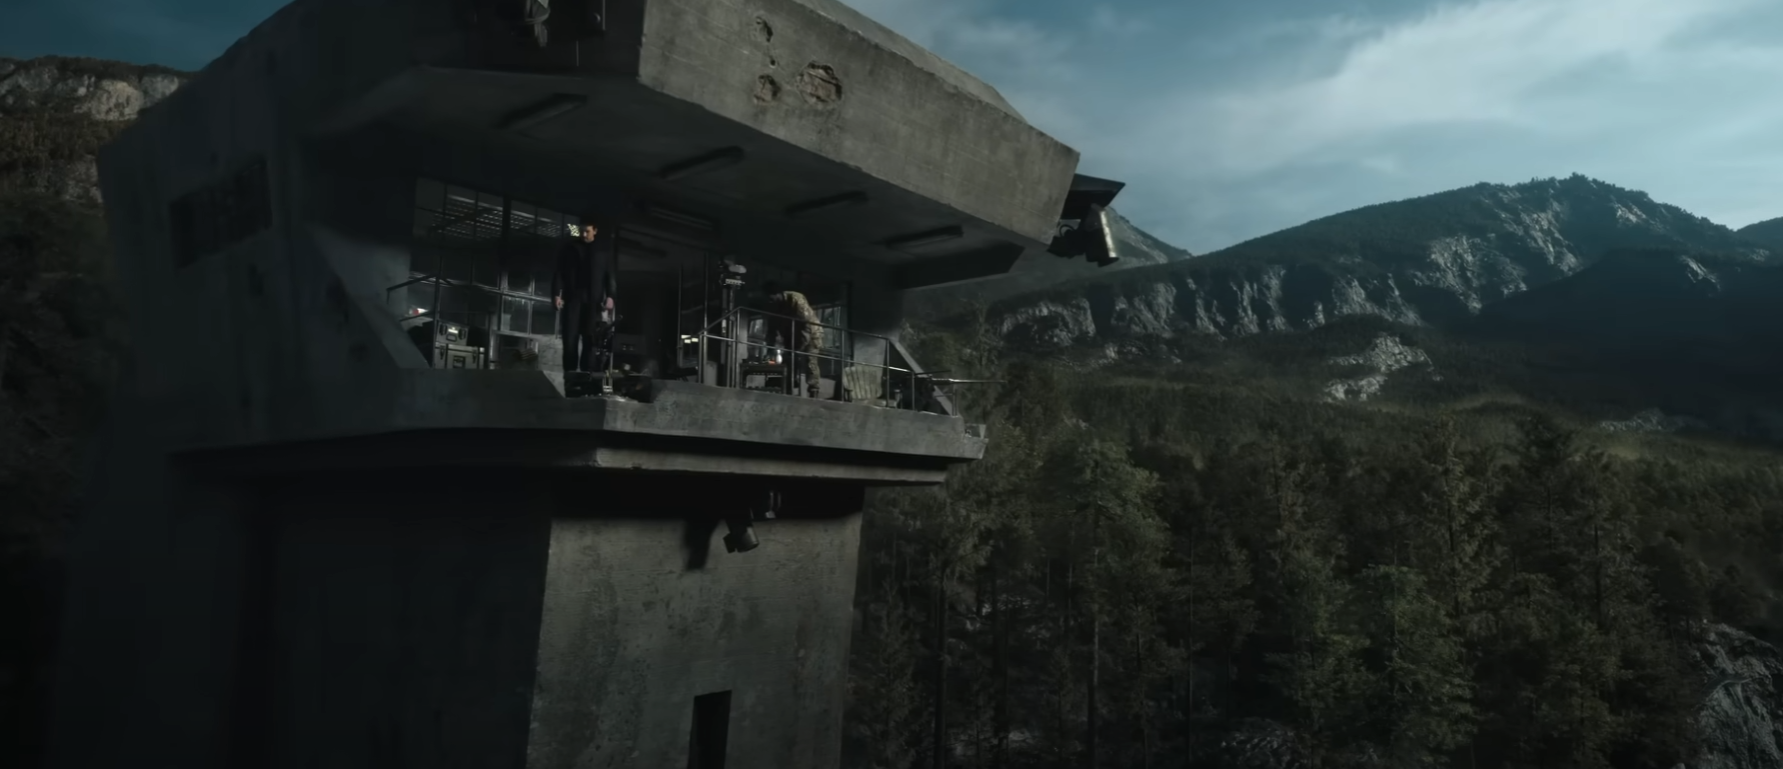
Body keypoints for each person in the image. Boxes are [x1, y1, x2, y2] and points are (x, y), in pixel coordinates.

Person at [551, 215, 617, 373]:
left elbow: (610, 276)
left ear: (595, 231)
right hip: (572, 298)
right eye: (581, 231)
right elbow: (560, 273)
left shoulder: (603, 252)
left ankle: (587, 373)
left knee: (590, 339)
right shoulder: (570, 249)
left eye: (587, 231)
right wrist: (556, 294)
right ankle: (570, 373)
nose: (583, 234)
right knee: (570, 338)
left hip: (593, 301)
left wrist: (610, 296)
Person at [760, 281, 823, 398]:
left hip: (812, 333)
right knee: (789, 360)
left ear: (777, 294)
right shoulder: (773, 305)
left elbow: (806, 323)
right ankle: (789, 385)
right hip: (791, 334)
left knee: (810, 361)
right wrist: (769, 349)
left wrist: (800, 345)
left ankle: (814, 390)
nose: (769, 300)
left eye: (771, 297)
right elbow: (771, 329)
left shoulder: (795, 299)